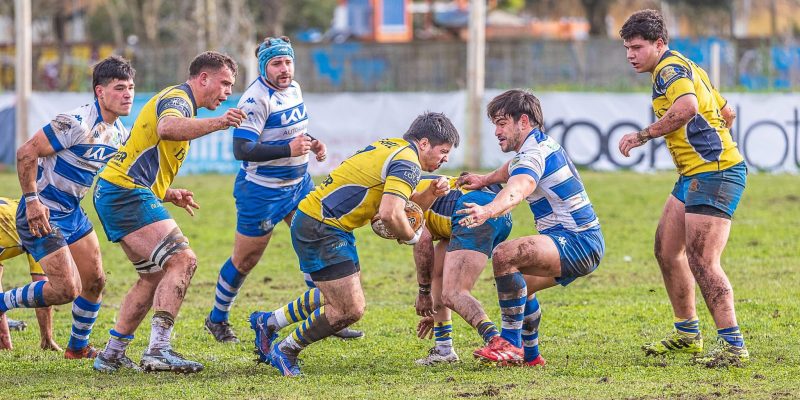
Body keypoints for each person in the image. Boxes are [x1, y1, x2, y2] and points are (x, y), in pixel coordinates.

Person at [249, 112, 460, 376]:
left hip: (327, 223)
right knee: (350, 308)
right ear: (425, 143)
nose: (445, 159)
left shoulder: (394, 147)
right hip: (322, 226)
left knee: (337, 295)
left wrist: (430, 193)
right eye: (444, 151)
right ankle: (287, 349)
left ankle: (268, 322)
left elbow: (408, 206)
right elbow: (390, 213)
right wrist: (413, 237)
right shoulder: (407, 162)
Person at [91, 51, 245, 373]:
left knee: (153, 276)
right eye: (225, 83)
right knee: (183, 260)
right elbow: (167, 128)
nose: (228, 92)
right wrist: (219, 123)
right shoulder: (179, 99)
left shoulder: (180, 99)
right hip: (124, 192)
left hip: (120, 189)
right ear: (203, 78)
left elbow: (145, 153)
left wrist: (169, 193)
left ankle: (112, 354)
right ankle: (159, 350)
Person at [202, 37, 360, 343]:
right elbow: (242, 148)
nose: (284, 69)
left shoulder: (294, 88)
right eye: (276, 63)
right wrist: (287, 147)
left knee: (315, 244)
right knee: (245, 260)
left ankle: (330, 314)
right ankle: (217, 318)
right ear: (264, 67)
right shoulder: (255, 99)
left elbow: (293, 130)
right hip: (262, 192)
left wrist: (312, 143)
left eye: (288, 62)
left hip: (299, 184)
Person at [618, 10, 748, 367]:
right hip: (695, 173)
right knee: (666, 249)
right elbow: (728, 111)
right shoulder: (685, 66)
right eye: (627, 48)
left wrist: (642, 134)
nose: (630, 54)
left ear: (659, 44)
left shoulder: (669, 70)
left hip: (715, 173)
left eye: (637, 47)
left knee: (703, 261)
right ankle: (688, 334)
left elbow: (688, 107)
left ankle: (733, 345)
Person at [0, 56, 135, 359]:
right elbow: (26, 153)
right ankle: (1, 302)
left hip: (71, 211)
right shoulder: (74, 122)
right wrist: (32, 200)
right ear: (100, 92)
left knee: (96, 281)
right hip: (42, 211)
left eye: (130, 87)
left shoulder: (118, 133)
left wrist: (165, 192)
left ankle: (77, 347)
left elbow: (124, 176)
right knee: (65, 290)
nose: (128, 94)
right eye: (119, 88)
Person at [457, 89, 604, 366]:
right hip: (582, 241)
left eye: (502, 124)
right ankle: (532, 356)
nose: (497, 132)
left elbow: (519, 186)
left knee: (505, 255)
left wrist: (488, 210)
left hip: (576, 241)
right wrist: (483, 179)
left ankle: (510, 344)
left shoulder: (533, 154)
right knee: (519, 285)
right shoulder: (537, 147)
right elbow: (510, 169)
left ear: (523, 121)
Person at [409, 175, 513, 366]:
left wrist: (423, 292)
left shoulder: (396, 202)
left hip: (470, 210)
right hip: (498, 211)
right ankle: (444, 350)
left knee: (454, 293)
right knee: (437, 278)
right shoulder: (412, 184)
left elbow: (422, 240)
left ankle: (500, 345)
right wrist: (434, 304)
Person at [0, 197, 60, 352]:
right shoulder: (40, 227)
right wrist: (47, 339)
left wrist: (4, 337)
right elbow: (42, 291)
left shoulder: (18, 207)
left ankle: (4, 342)